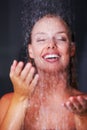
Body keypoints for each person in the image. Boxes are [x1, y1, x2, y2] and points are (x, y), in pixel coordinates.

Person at [0, 0, 87, 130]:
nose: (51, 44)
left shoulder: (85, 104)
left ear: (71, 49)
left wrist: (82, 117)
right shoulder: (8, 102)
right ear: (31, 51)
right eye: (41, 39)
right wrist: (20, 98)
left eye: (61, 38)